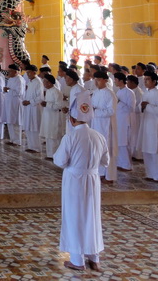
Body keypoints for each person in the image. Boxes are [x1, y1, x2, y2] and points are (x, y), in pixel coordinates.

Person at [54, 100, 108, 272]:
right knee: (92, 216)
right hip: (93, 179)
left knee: (74, 215)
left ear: (71, 119)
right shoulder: (99, 136)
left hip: (74, 180)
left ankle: (77, 260)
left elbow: (60, 161)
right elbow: (105, 161)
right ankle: (94, 258)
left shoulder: (70, 137)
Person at [138, 72, 158, 182]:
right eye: (144, 79)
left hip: (155, 124)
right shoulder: (145, 93)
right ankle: (149, 173)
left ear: (154, 81)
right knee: (146, 149)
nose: (145, 81)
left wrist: (147, 106)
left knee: (155, 149)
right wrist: (141, 106)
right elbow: (140, 106)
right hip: (146, 123)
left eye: (148, 79)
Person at [90, 71, 118, 183]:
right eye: (95, 79)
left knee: (107, 149)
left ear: (105, 80)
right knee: (97, 149)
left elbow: (111, 111)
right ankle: (100, 172)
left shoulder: (110, 94)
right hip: (96, 124)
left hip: (106, 125)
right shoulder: (95, 93)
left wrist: (96, 111)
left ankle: (109, 175)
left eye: (98, 79)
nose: (96, 82)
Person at [41, 73, 64, 158]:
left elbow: (58, 106)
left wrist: (47, 104)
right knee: (48, 136)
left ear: (50, 83)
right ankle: (49, 154)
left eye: (45, 82)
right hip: (47, 116)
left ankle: (55, 155)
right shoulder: (48, 91)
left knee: (54, 137)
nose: (44, 84)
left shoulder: (57, 92)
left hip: (54, 117)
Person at [21, 65, 43, 152]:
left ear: (34, 72)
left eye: (29, 72)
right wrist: (25, 101)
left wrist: (29, 102)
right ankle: (31, 146)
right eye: (27, 72)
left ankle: (36, 148)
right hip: (28, 108)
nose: (28, 74)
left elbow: (40, 97)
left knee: (34, 127)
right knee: (28, 126)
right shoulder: (30, 82)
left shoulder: (38, 82)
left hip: (34, 108)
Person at [4, 64, 24, 145]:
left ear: (15, 72)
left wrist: (8, 90)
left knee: (15, 122)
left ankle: (17, 141)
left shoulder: (19, 80)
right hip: (9, 102)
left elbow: (19, 92)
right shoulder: (11, 79)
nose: (9, 73)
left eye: (10, 71)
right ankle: (12, 139)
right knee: (10, 121)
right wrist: (7, 90)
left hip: (16, 102)